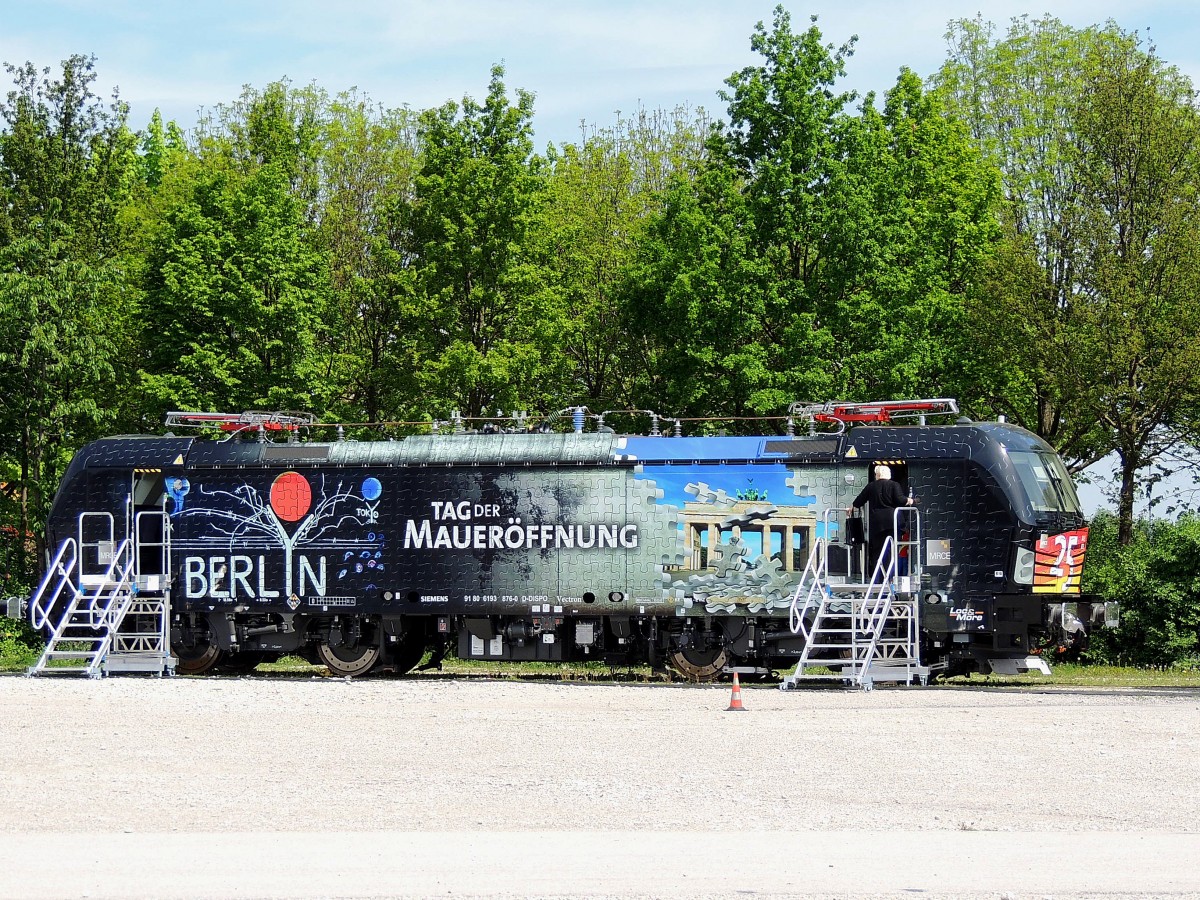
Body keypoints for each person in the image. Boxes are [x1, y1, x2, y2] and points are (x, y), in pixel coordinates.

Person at [847, 465, 914, 576]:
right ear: (889, 474)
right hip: (892, 522)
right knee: (891, 549)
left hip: (876, 523)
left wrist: (852, 507)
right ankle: (889, 576)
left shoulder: (871, 486)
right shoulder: (894, 485)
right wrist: (910, 500)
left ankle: (878, 577)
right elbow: (900, 500)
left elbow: (859, 501)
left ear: (877, 475)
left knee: (878, 550)